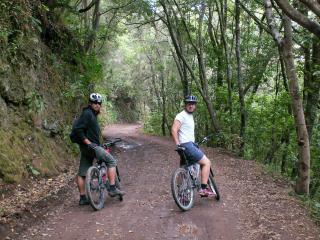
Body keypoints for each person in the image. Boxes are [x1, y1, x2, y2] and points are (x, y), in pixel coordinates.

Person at [73, 93, 125, 205]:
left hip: (86, 148)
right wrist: (89, 143)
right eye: (95, 103)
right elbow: (78, 130)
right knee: (111, 161)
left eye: (99, 103)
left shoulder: (91, 114)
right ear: (90, 103)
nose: (97, 105)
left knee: (82, 173)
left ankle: (82, 198)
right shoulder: (88, 114)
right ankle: (112, 188)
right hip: (92, 147)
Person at [171, 95, 215, 197]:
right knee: (206, 163)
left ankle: (182, 194)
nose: (191, 105)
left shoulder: (189, 116)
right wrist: (178, 144)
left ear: (195, 105)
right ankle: (203, 189)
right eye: (189, 103)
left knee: (185, 169)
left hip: (187, 146)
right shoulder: (181, 115)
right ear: (185, 104)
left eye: (193, 104)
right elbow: (174, 129)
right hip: (186, 145)